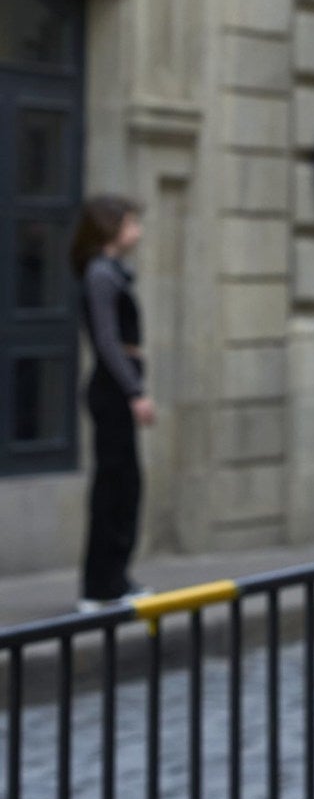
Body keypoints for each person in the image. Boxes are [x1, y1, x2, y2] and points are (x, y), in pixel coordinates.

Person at [69, 194, 155, 609]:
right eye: (131, 223)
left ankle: (113, 580)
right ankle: (100, 585)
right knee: (115, 486)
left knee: (124, 485)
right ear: (111, 227)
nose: (136, 231)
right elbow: (106, 341)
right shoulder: (101, 274)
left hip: (116, 389)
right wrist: (135, 392)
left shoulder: (111, 272)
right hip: (112, 392)